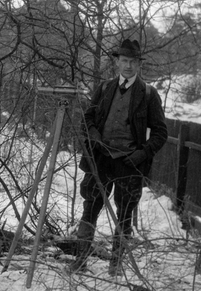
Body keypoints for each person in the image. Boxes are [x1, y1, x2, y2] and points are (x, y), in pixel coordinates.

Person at [69, 38, 168, 274]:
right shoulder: (104, 89)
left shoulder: (148, 94)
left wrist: (142, 154)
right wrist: (94, 135)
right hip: (100, 160)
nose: (128, 66)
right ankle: (80, 260)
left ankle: (116, 264)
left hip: (129, 163)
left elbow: (161, 133)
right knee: (90, 208)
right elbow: (87, 118)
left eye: (133, 62)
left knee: (124, 216)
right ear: (117, 62)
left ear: (139, 64)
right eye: (124, 61)